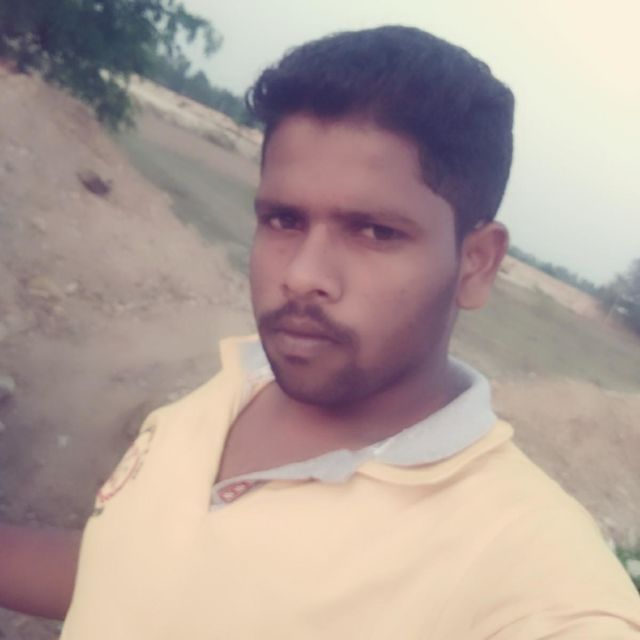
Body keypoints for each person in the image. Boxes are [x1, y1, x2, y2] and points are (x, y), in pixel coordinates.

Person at [1, 25, 639, 639]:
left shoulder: (521, 569)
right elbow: (135, 573)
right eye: (283, 220)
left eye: (376, 232)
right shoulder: (237, 385)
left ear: (475, 264)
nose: (302, 276)